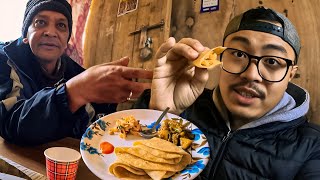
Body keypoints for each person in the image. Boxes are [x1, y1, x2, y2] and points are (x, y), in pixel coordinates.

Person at [134, 6, 320, 179]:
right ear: (219, 57)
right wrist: (159, 112)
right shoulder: (184, 107)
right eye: (238, 54)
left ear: (290, 74)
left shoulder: (313, 147)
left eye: (272, 61)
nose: (251, 74)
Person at [0, 0, 152, 145]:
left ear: (67, 40)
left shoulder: (74, 71)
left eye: (61, 25)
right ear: (25, 34)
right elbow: (8, 123)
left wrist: (151, 103)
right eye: (40, 22)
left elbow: (98, 124)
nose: (51, 32)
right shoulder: (5, 60)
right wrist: (71, 93)